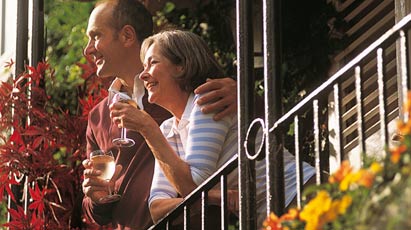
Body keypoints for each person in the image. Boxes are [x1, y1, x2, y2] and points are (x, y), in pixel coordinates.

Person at [110, 29, 315, 227]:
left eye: (152, 63)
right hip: (274, 216)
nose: (143, 75)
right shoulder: (167, 129)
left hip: (302, 196)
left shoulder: (208, 102)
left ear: (181, 65)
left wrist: (147, 128)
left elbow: (194, 187)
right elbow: (156, 209)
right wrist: (214, 196)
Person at [81, 1, 237, 229]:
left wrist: (241, 93)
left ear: (127, 35)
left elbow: (256, 126)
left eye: (96, 36)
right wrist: (96, 198)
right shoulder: (98, 117)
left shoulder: (188, 90)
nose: (88, 49)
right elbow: (91, 210)